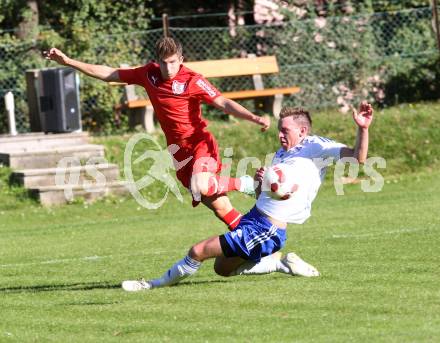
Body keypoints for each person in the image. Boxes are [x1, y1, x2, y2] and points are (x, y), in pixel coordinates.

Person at [121, 102, 374, 291]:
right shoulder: (281, 154)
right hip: (254, 219)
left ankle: (151, 285)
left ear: (303, 130)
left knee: (198, 251)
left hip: (268, 229)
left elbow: (357, 158)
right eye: (278, 130)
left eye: (285, 130)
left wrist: (362, 129)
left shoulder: (317, 147)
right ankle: (280, 264)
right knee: (222, 269)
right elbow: (264, 189)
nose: (280, 135)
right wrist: (261, 179)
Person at [43, 37, 269, 231]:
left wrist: (253, 117)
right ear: (157, 60)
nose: (168, 68)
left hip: (200, 143)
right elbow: (109, 74)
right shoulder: (148, 74)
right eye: (164, 62)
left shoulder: (193, 80)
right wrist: (68, 62)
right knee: (220, 208)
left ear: (181, 60)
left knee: (200, 185)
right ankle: (253, 243)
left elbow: (223, 102)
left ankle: (247, 184)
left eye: (173, 62)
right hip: (178, 151)